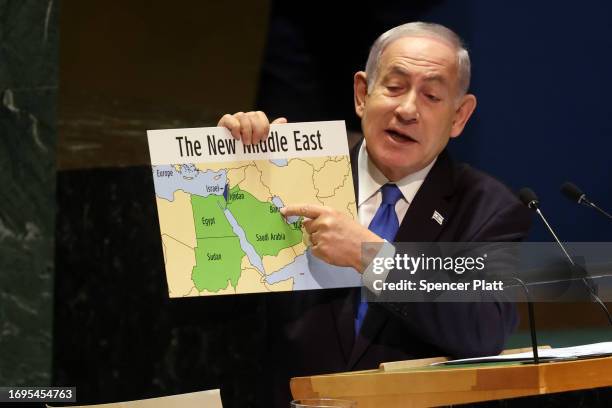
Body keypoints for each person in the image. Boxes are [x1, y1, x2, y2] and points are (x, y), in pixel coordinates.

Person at [218, 22, 531, 406]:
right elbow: (217, 313)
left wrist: (372, 258)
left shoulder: (489, 209)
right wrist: (232, 173)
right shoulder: (295, 173)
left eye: (432, 95)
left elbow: (484, 330)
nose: (407, 109)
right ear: (362, 94)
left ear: (459, 117)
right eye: (395, 87)